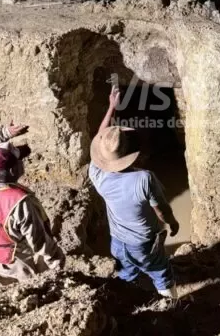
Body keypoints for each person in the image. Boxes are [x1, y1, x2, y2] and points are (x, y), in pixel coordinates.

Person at [89, 86, 180, 299]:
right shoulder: (144, 178)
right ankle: (172, 308)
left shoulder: (96, 173)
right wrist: (172, 223)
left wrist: (111, 107)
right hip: (143, 243)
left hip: (117, 242)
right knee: (161, 273)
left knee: (127, 274)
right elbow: (161, 209)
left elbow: (101, 139)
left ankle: (128, 302)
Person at [0, 122, 65, 286]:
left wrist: (4, 134)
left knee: (4, 292)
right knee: (30, 290)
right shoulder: (19, 202)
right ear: (13, 170)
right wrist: (56, 261)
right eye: (20, 160)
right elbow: (39, 241)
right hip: (16, 261)